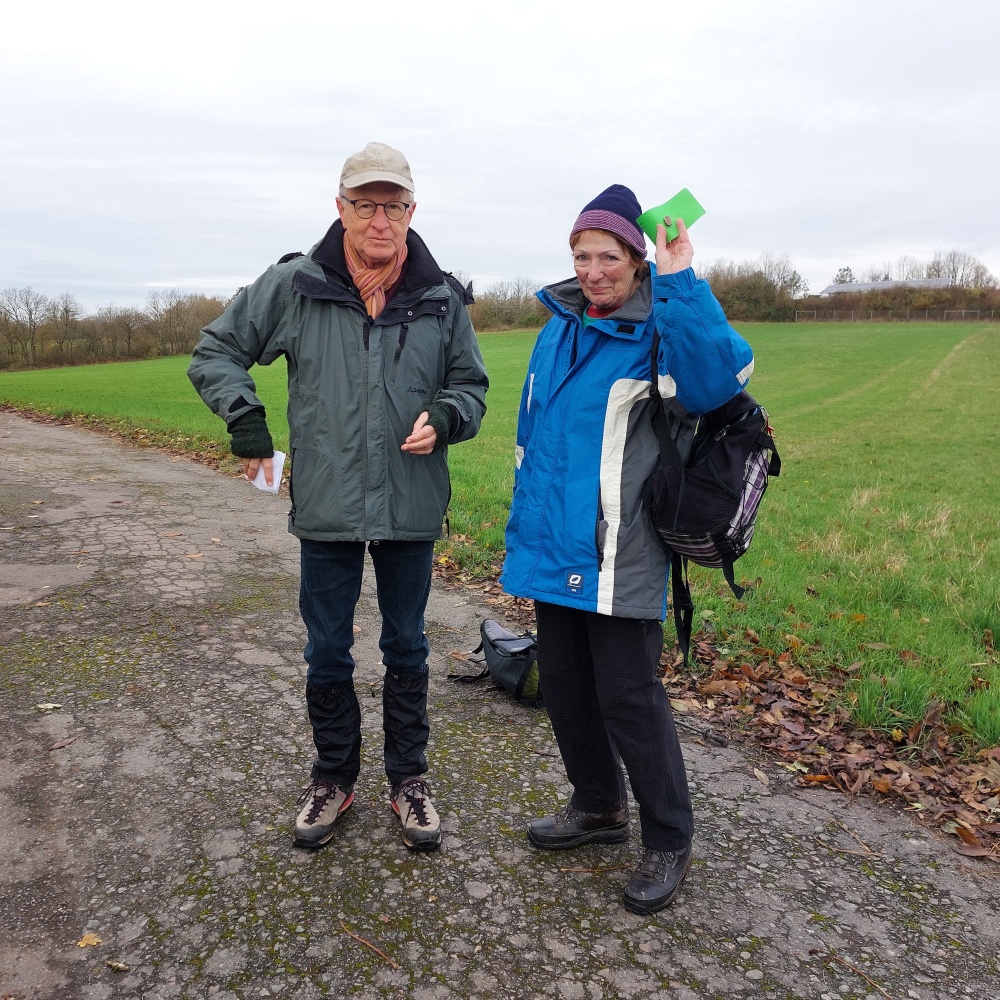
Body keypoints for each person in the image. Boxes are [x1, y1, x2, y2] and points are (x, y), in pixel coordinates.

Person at [188, 141, 488, 852]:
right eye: (366, 204)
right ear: (341, 208)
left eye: (394, 206)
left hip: (411, 506)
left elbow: (471, 388)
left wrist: (447, 417)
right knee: (328, 650)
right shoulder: (296, 284)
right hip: (325, 506)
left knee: (408, 646)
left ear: (412, 211)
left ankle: (408, 780)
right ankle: (333, 777)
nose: (380, 220)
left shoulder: (441, 297)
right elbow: (216, 351)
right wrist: (244, 414)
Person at [500, 184, 753, 913]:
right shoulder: (559, 328)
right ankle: (598, 806)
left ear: (636, 258)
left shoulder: (658, 331)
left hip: (622, 551)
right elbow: (535, 436)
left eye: (607, 255)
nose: (592, 270)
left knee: (629, 698)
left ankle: (669, 837)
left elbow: (714, 383)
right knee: (567, 686)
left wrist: (681, 280)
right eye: (581, 255)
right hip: (554, 542)